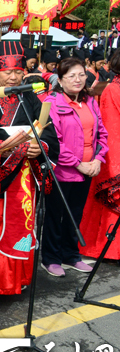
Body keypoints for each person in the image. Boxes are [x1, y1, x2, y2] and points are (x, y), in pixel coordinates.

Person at [0, 41, 58, 295]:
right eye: (7, 72)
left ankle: (17, 279)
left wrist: (39, 145)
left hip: (24, 175)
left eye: (18, 71)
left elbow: (47, 129)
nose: (13, 76)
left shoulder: (28, 95)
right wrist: (13, 146)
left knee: (23, 223)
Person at [41, 57, 108, 276]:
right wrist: (78, 164)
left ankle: (70, 255)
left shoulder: (90, 101)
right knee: (56, 215)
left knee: (75, 215)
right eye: (72, 76)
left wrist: (98, 159)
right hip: (62, 170)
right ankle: (51, 258)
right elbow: (54, 141)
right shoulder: (52, 102)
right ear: (60, 79)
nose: (78, 80)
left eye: (81, 74)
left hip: (89, 167)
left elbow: (101, 134)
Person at [81, 50, 120, 260]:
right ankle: (110, 248)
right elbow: (110, 126)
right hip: (115, 151)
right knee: (112, 201)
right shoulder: (113, 89)